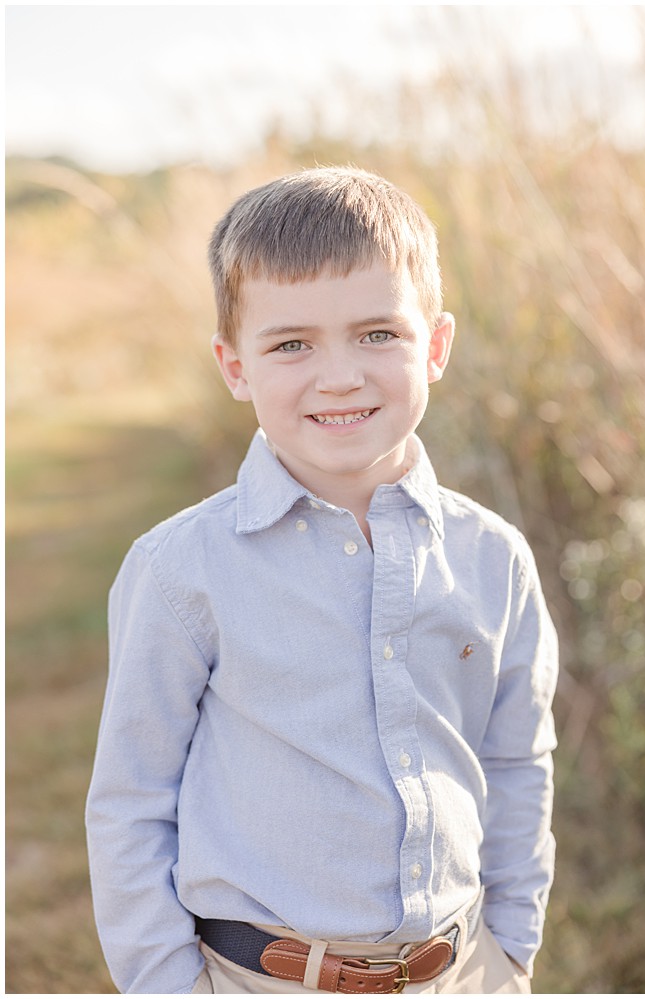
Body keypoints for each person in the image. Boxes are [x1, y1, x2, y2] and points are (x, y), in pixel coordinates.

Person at [84, 167, 557, 993]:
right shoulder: (181, 570)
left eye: (378, 333)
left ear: (435, 346)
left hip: (462, 968)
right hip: (256, 977)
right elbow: (131, 801)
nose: (339, 375)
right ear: (235, 366)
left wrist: (511, 948)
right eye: (291, 343)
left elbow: (516, 761)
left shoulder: (494, 556)